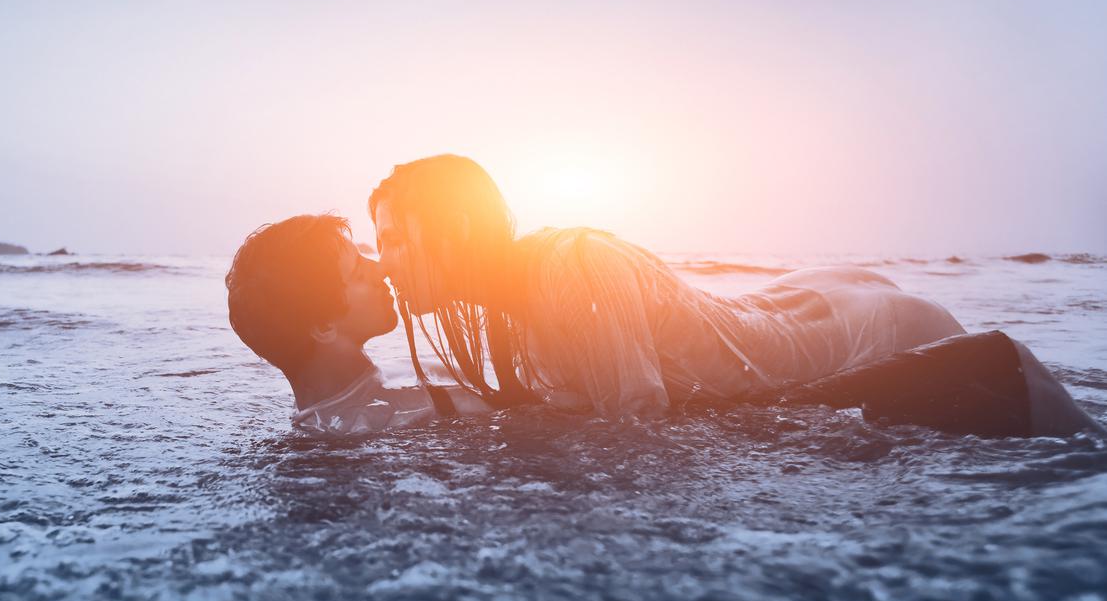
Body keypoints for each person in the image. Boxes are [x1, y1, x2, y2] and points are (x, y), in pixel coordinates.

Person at [368, 153, 1101, 439]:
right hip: (795, 311)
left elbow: (639, 431)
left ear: (454, 228)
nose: (386, 262)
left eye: (395, 238)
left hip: (876, 331)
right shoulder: (511, 309)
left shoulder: (571, 267)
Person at [225, 214, 488, 434]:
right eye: (360, 272)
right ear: (325, 326)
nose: (380, 270)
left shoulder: (377, 389)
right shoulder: (382, 421)